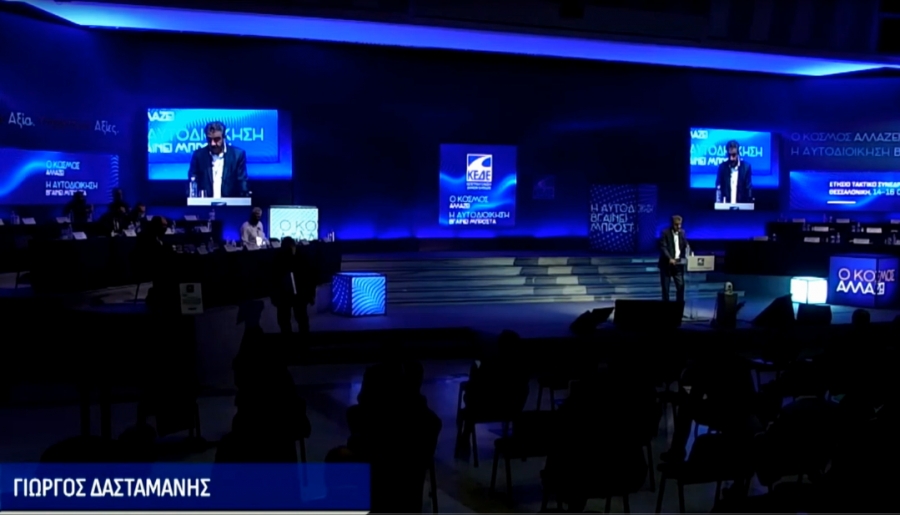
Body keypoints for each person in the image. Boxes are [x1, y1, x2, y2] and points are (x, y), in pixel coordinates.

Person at [187, 121, 248, 198]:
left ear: (224, 137)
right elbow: (192, 182)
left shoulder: (237, 155)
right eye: (209, 140)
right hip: (205, 204)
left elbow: (242, 184)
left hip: (230, 204)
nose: (213, 143)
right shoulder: (199, 156)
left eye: (216, 139)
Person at [271, 237, 316, 338]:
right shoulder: (301, 257)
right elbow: (310, 277)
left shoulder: (279, 259)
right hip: (290, 295)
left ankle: (293, 342)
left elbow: (309, 277)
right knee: (295, 320)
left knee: (294, 320)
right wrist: (311, 294)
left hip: (293, 295)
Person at [658, 214, 689, 303]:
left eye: (680, 224)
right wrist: (670, 258)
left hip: (678, 265)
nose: (678, 226)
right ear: (672, 224)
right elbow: (663, 247)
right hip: (666, 265)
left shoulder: (682, 233)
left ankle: (679, 307)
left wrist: (688, 251)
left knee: (680, 287)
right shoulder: (665, 233)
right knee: (665, 290)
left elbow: (685, 244)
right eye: (676, 224)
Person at [715, 140, 752, 204]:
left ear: (738, 153)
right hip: (725, 205)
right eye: (729, 155)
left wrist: (749, 204)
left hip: (742, 206)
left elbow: (748, 188)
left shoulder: (746, 167)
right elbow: (718, 186)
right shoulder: (722, 167)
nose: (731, 158)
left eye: (733, 155)